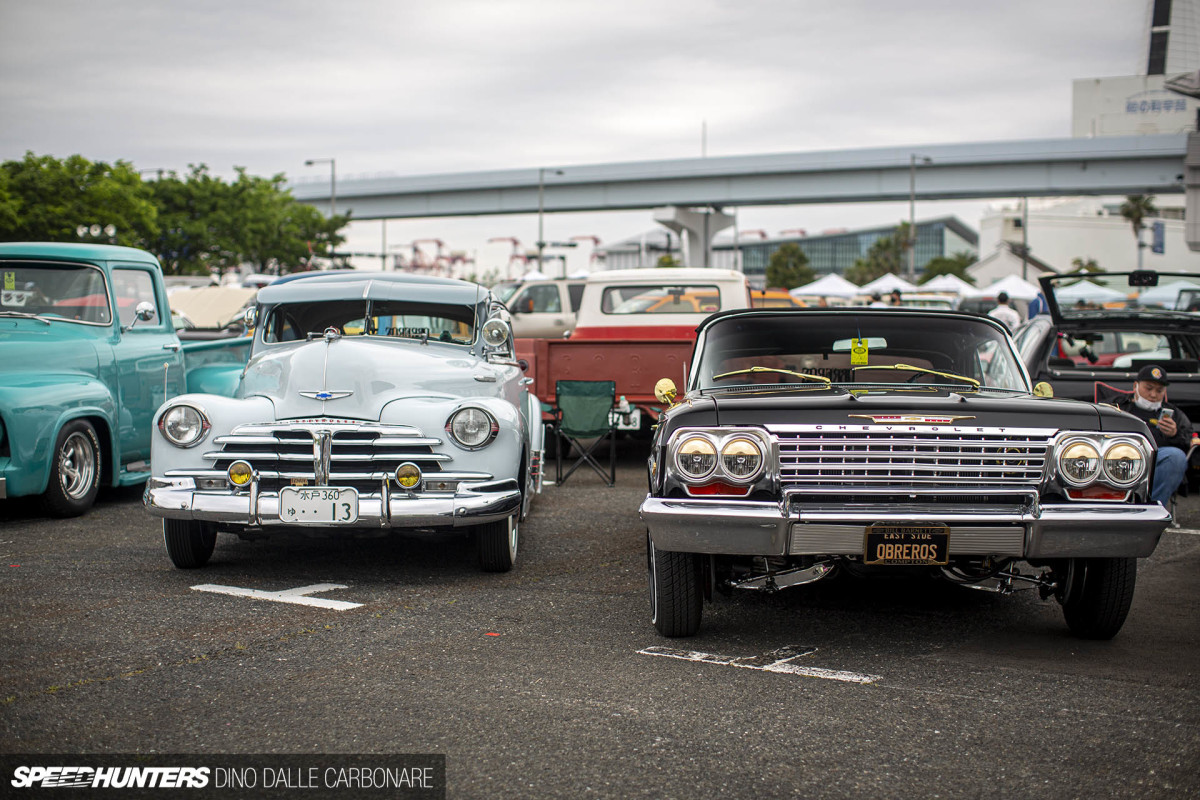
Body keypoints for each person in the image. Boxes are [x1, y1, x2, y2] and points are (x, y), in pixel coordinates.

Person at [1114, 365, 1193, 507]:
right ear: (1135, 386)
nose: (1153, 395)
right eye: (1148, 388)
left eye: (1159, 390)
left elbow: (1188, 442)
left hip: (1157, 458)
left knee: (1176, 457)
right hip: (1120, 456)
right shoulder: (1118, 406)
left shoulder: (1174, 414)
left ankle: (1151, 508)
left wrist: (1175, 435)